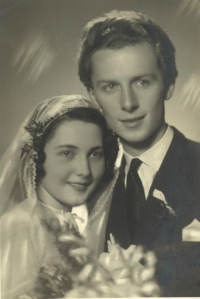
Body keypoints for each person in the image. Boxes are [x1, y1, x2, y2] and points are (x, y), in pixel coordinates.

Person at [77, 10, 200, 296]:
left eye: (142, 82)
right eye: (110, 86)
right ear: (93, 96)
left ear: (168, 84)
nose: (128, 103)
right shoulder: (89, 187)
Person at [0, 95, 119, 299]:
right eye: (67, 153)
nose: (84, 170)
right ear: (37, 157)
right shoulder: (21, 226)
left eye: (95, 154)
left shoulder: (70, 227)